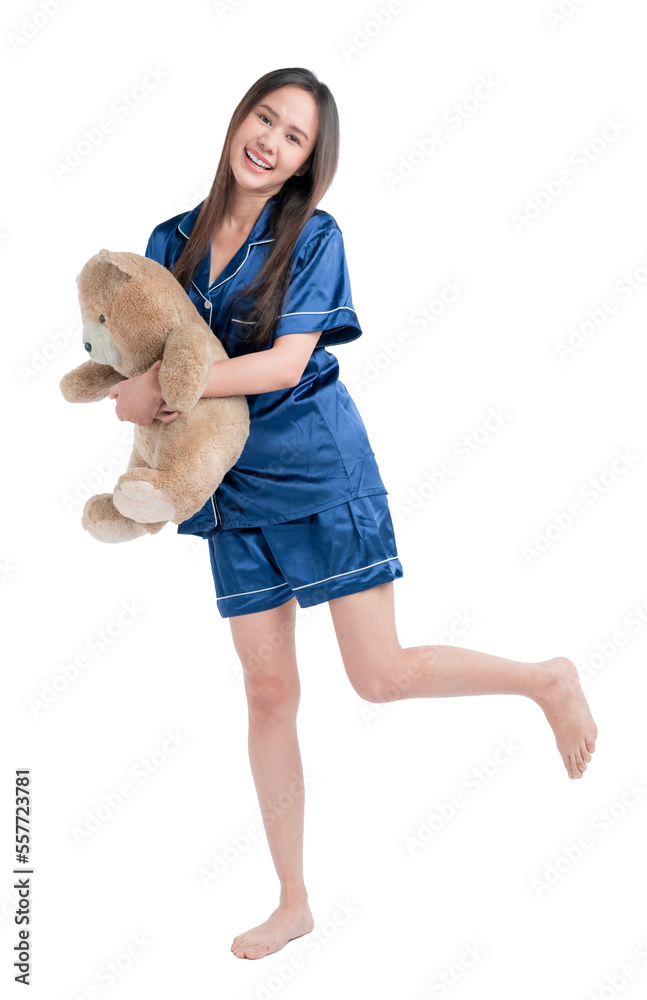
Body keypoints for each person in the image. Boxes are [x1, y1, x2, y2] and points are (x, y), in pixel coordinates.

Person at [108, 67, 598, 961]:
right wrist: (138, 413)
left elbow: (284, 365)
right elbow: (142, 355)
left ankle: (545, 679)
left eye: (293, 137)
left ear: (305, 163)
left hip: (318, 472)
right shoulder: (168, 240)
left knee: (378, 676)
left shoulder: (314, 234)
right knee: (266, 694)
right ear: (237, 119)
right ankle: (292, 900)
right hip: (228, 491)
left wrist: (159, 390)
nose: (271, 141)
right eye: (265, 118)